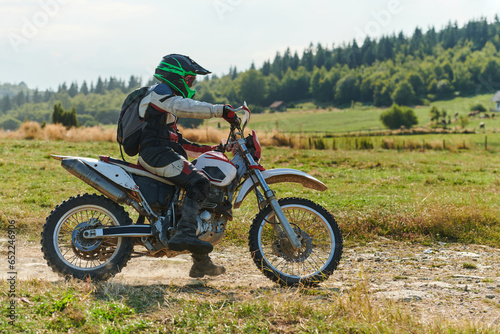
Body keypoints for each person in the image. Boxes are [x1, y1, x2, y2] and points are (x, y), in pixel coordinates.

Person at [137, 54, 236, 278]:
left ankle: (200, 262)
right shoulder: (160, 93)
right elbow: (187, 107)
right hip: (155, 154)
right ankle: (184, 235)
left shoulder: (167, 106)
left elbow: (181, 144)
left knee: (190, 197)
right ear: (177, 76)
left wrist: (215, 149)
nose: (192, 85)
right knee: (200, 182)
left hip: (164, 153)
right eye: (190, 80)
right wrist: (220, 111)